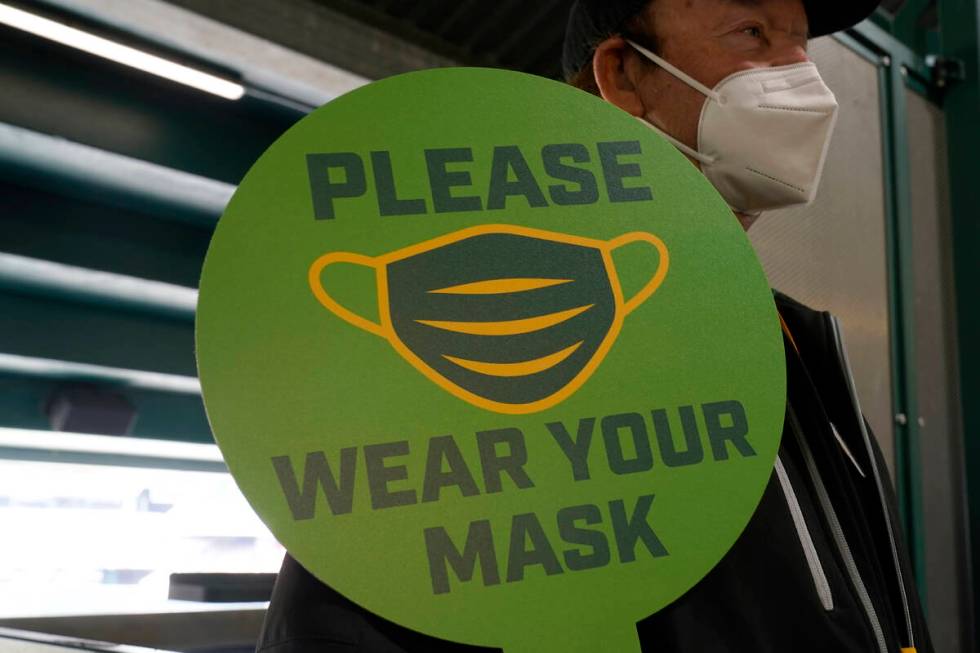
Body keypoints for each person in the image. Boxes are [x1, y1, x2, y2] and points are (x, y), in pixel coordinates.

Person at [256, 1, 934, 651]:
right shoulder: (475, 358)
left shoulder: (796, 341)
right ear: (624, 76)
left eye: (801, 43)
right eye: (751, 32)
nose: (802, 81)